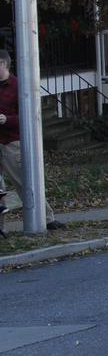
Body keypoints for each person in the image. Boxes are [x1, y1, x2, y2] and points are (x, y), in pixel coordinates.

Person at [0, 50, 64, 230]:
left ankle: (46, 218)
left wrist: (7, 119)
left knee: (23, 182)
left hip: (11, 143)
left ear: (4, 64)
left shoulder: (18, 86)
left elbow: (28, 116)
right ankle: (1, 228)